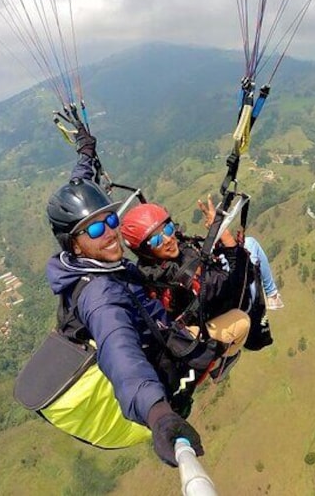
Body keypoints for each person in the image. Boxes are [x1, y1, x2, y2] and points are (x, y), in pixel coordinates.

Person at [44, 127, 209, 467]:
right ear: (73, 243)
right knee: (233, 327)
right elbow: (120, 353)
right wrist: (159, 414)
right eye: (93, 229)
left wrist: (85, 155)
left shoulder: (85, 263)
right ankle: (183, 393)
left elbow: (80, 185)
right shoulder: (100, 295)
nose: (108, 232)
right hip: (154, 362)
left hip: (153, 324)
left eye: (111, 219)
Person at [120, 196, 275, 366]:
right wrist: (224, 234)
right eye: (156, 240)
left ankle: (272, 294)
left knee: (248, 247)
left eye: (168, 229)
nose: (168, 239)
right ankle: (267, 302)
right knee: (251, 249)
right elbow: (236, 280)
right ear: (145, 251)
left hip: (206, 303)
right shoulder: (180, 274)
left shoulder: (150, 268)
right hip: (224, 308)